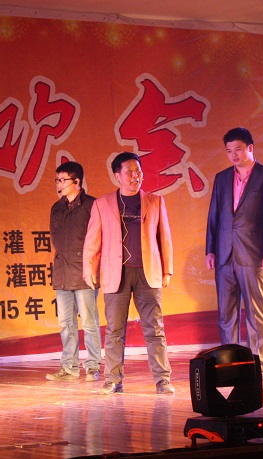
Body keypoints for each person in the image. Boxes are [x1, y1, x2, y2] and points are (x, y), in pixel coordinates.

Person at [83, 152, 175, 395]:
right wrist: (89, 268)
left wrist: (167, 269)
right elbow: (92, 240)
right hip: (117, 274)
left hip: (148, 273)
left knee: (154, 329)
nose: (135, 176)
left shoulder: (155, 201)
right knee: (114, 330)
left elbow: (164, 237)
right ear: (117, 175)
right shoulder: (102, 204)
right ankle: (113, 380)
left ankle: (162, 380)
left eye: (138, 171)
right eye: (129, 172)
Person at [205, 127, 263, 381]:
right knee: (226, 315)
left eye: (238, 149)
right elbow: (214, 215)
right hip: (225, 255)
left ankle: (260, 367)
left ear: (250, 148)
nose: (233, 155)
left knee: (256, 314)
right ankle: (230, 365)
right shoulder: (222, 178)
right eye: (229, 151)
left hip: (254, 255)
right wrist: (211, 249)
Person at [46, 161, 102, 382]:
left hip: (84, 272)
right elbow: (56, 239)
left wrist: (91, 267)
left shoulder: (91, 205)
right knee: (66, 323)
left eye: (63, 180)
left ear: (77, 181)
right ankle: (69, 367)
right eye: (57, 180)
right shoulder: (56, 208)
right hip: (62, 271)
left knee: (89, 322)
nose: (59, 184)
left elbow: (97, 239)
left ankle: (93, 366)